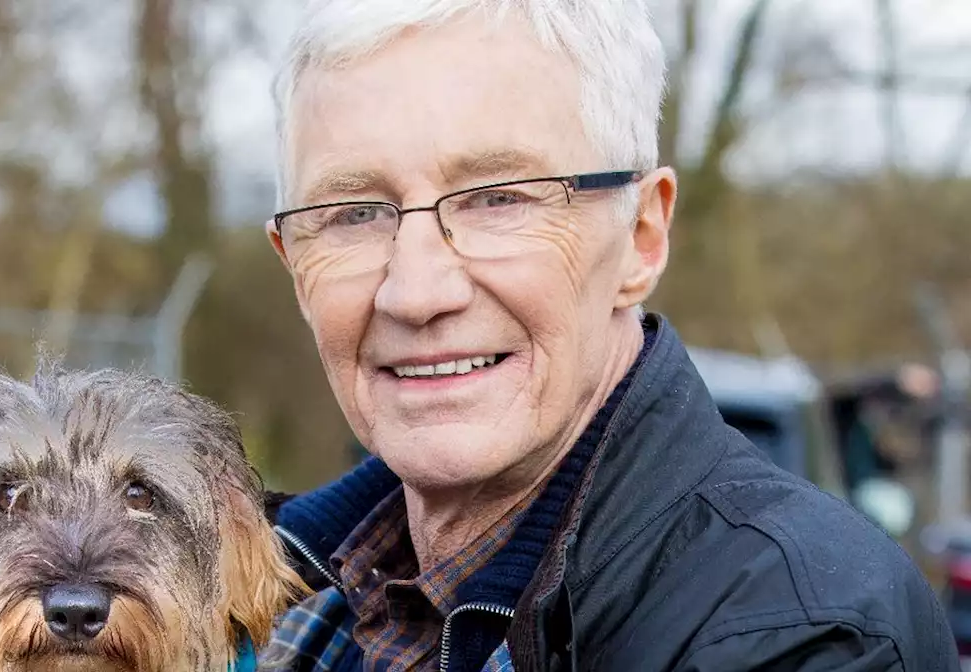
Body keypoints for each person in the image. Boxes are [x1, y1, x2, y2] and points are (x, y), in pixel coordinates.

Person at [255, 1, 959, 670]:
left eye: (498, 199)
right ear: (292, 266)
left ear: (641, 238)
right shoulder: (255, 602)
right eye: (351, 214)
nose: (416, 290)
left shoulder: (802, 635)